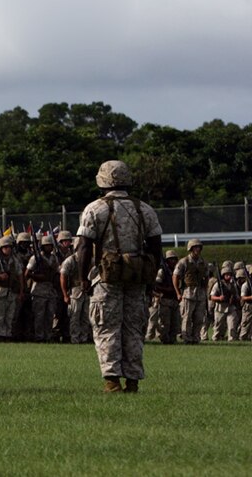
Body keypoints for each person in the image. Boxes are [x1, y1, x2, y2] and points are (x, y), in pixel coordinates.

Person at [76, 160, 162, 393]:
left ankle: (112, 381)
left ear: (102, 181)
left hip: (107, 278)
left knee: (107, 327)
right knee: (134, 328)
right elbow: (156, 249)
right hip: (137, 277)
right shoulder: (145, 209)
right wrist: (150, 280)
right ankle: (132, 381)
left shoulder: (95, 209)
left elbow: (84, 247)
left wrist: (82, 278)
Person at [25, 235, 61, 343]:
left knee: (50, 315)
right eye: (46, 246)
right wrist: (37, 277)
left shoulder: (54, 258)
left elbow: (57, 271)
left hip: (50, 289)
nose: (49, 248)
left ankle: (48, 336)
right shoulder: (35, 258)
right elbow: (27, 273)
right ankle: (39, 336)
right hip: (39, 289)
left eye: (50, 245)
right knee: (39, 315)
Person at [172, 239, 208, 344]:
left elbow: (206, 277)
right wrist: (178, 293)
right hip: (188, 292)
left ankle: (196, 337)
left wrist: (204, 289)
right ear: (191, 249)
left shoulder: (203, 262)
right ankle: (186, 338)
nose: (197, 249)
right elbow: (175, 276)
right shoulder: (184, 262)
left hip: (200, 293)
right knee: (187, 317)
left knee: (199, 317)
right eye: (195, 247)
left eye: (199, 247)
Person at [0, 236, 23, 341]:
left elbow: (20, 275)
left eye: (9, 247)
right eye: (5, 247)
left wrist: (21, 291)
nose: (8, 249)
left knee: (9, 316)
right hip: (0, 291)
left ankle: (7, 335)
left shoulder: (14, 260)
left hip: (11, 292)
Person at [60, 238, 91, 344]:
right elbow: (63, 276)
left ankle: (84, 338)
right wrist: (65, 294)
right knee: (75, 316)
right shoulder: (70, 260)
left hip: (87, 291)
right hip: (74, 291)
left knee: (86, 316)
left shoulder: (89, 260)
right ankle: (75, 338)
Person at [149, 250, 180, 344]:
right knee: (165, 323)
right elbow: (156, 285)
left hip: (174, 299)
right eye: (171, 259)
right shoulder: (162, 271)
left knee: (175, 322)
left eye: (174, 259)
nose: (173, 261)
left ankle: (172, 339)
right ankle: (164, 339)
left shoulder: (176, 271)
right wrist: (167, 289)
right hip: (165, 299)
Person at [209, 264, 240, 341]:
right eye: (227, 275)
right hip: (220, 307)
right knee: (218, 326)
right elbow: (212, 296)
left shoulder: (233, 285)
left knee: (232, 324)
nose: (229, 276)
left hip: (230, 307)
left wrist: (236, 298)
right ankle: (215, 338)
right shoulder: (218, 285)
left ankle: (232, 339)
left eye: (230, 274)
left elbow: (236, 295)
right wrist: (219, 298)